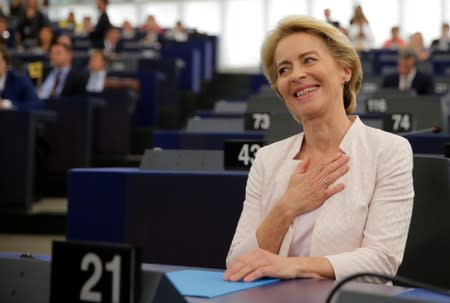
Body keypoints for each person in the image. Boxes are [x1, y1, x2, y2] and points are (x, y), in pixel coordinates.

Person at [224, 16, 414, 283]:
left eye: (309, 60)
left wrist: (293, 266)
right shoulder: (267, 159)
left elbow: (381, 262)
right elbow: (236, 264)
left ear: (345, 71)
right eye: (284, 69)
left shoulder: (389, 151)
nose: (297, 75)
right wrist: (286, 207)